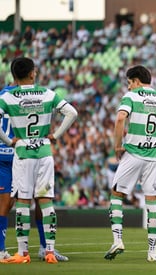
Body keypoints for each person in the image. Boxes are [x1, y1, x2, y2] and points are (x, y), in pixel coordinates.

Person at [0, 57, 78, 264]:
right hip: (44, 151)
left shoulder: (8, 98)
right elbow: (72, 112)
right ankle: (50, 251)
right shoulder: (47, 93)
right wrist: (56, 135)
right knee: (46, 202)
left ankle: (22, 253)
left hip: (23, 152)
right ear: (33, 73)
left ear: (14, 76)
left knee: (23, 202)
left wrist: (9, 141)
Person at [104, 65, 156, 262]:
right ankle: (152, 252)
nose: (128, 87)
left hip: (134, 154)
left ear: (136, 81)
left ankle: (118, 240)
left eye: (129, 83)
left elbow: (120, 119)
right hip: (154, 158)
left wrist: (117, 146)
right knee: (152, 202)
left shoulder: (132, 97)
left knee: (117, 194)